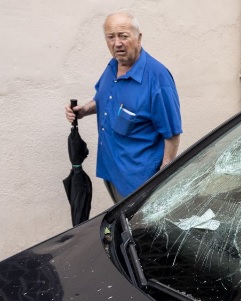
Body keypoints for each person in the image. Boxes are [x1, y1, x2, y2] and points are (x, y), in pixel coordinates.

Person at [65, 12, 182, 203]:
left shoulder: (157, 77)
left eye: (123, 36)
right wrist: (85, 110)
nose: (117, 43)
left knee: (138, 231)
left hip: (139, 184)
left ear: (138, 37)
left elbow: (172, 134)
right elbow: (106, 100)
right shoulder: (112, 66)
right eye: (111, 37)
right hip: (110, 171)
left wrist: (162, 181)